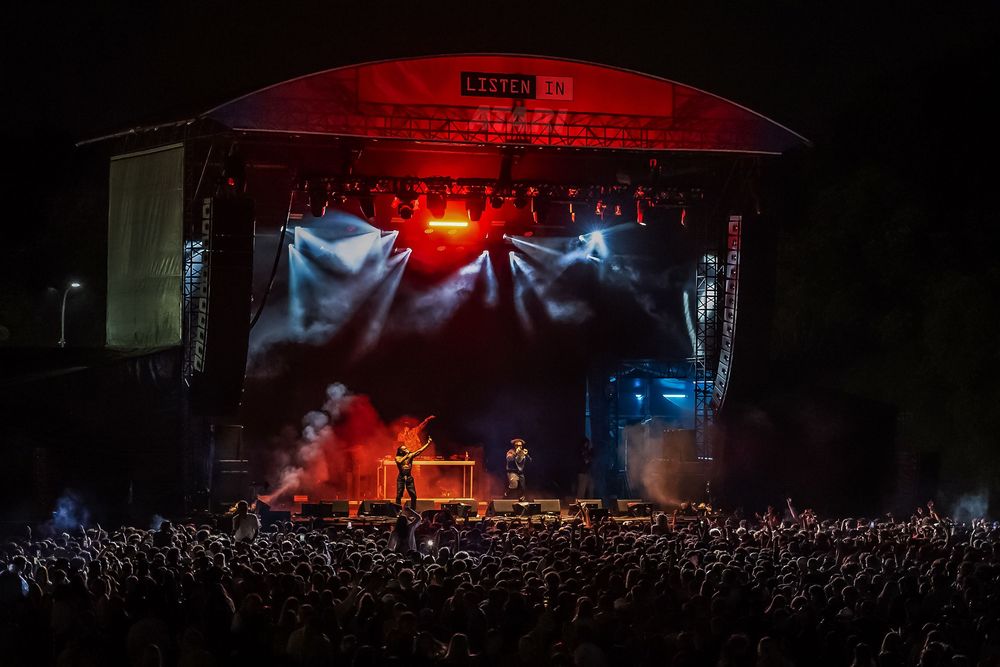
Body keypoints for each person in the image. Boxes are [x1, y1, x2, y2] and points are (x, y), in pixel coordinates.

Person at [395, 416, 434, 507]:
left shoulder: (414, 432)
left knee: (417, 474)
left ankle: (418, 493)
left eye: (407, 426)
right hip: (406, 459)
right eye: (405, 426)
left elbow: (421, 426)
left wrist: (427, 419)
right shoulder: (400, 435)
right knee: (404, 475)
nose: (406, 428)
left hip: (414, 456)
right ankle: (402, 497)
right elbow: (398, 447)